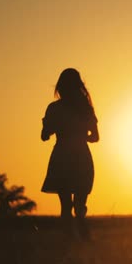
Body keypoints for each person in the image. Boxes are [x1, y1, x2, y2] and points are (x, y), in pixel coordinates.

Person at [41, 68, 99, 240]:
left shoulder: (54, 108)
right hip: (81, 156)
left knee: (65, 205)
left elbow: (44, 136)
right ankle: (84, 237)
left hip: (61, 157)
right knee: (80, 205)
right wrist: (82, 136)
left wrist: (54, 128)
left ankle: (69, 239)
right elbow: (95, 137)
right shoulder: (86, 109)